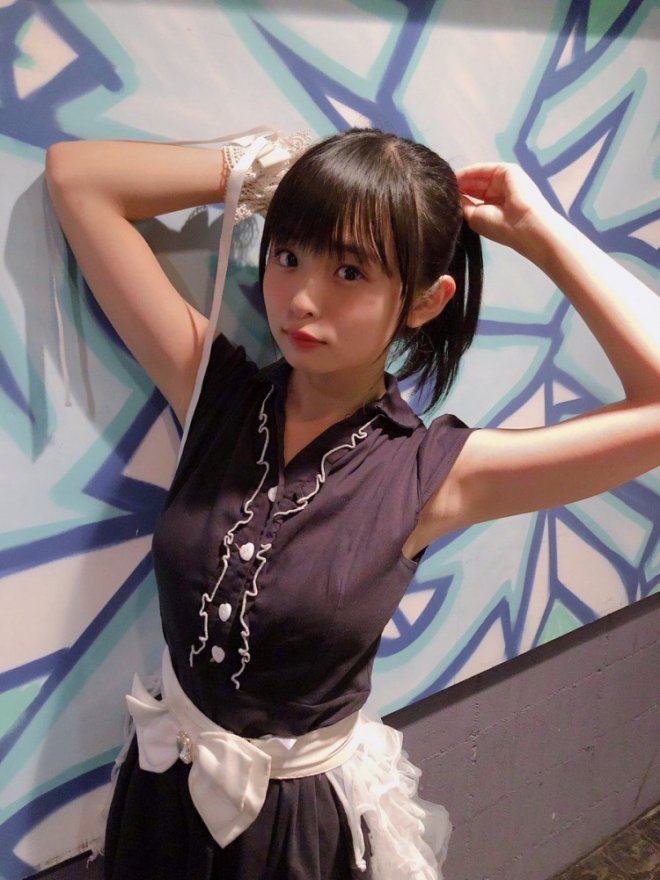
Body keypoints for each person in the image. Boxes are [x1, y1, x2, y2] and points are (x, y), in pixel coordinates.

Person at [45, 129, 660, 880]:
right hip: (159, 793)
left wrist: (540, 231)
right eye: (287, 256)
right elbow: (78, 178)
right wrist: (254, 164)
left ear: (425, 302)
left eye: (349, 270)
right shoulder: (215, 394)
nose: (302, 299)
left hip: (291, 838)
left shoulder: (430, 474)